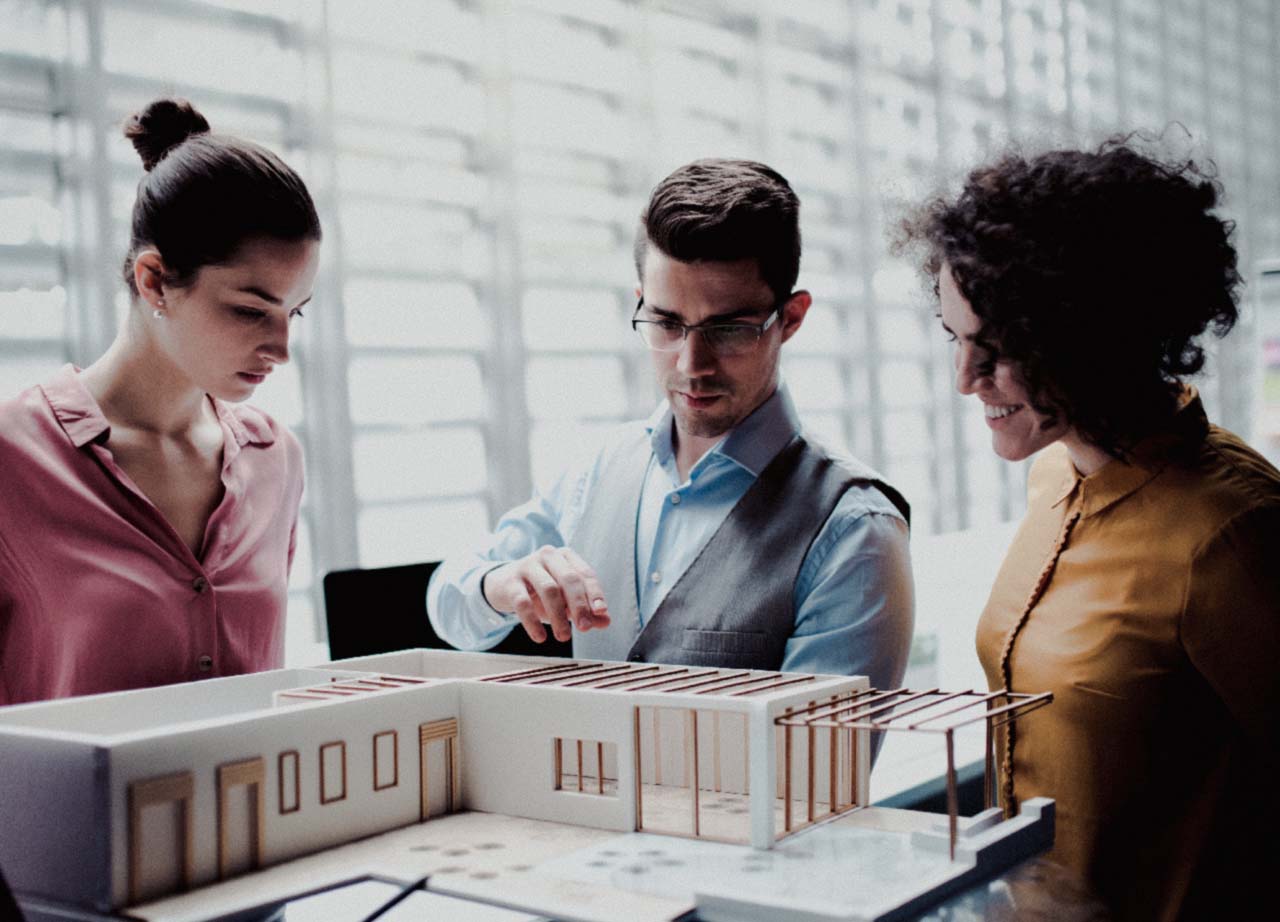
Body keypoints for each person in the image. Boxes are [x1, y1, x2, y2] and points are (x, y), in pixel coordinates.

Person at [900, 139, 1280, 919]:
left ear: (1091, 334)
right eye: (955, 338)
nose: (964, 379)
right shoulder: (1053, 477)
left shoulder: (1233, 536)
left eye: (997, 349)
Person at [429, 158, 913, 689]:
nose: (691, 365)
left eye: (727, 329)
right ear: (641, 302)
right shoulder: (596, 471)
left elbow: (818, 767)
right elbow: (448, 603)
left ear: (791, 319)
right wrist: (499, 586)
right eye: (666, 323)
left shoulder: (854, 530)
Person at [0, 98, 321, 705]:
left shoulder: (276, 459)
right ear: (154, 282)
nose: (281, 347)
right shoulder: (13, 459)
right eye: (250, 310)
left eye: (293, 312)